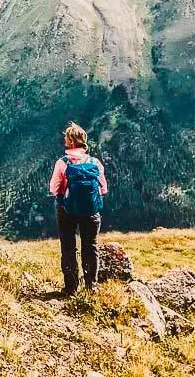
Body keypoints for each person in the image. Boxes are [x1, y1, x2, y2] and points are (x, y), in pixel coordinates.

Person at [49, 122, 108, 295]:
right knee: (90, 247)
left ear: (69, 142)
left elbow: (54, 188)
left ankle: (71, 288)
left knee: (68, 247)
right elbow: (103, 188)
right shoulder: (94, 162)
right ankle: (91, 287)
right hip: (90, 212)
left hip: (67, 211)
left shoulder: (63, 163)